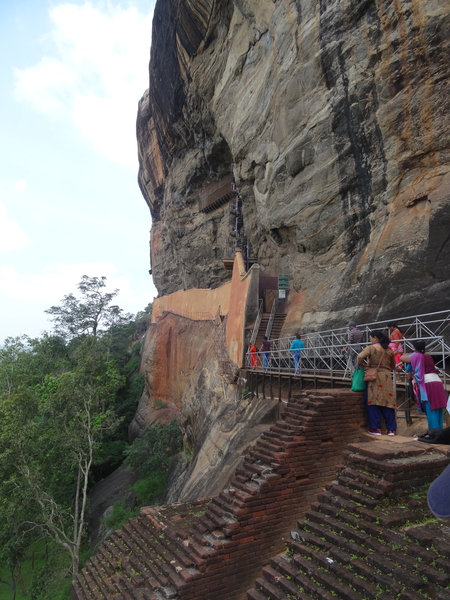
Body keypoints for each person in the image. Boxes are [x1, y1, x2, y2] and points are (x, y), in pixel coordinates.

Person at [357, 330, 397, 436]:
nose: (370, 340)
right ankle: (391, 430)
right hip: (387, 377)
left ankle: (376, 428)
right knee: (387, 402)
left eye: (370, 338)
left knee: (372, 401)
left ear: (375, 338)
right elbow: (393, 365)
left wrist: (360, 364)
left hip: (374, 376)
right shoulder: (389, 350)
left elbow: (360, 356)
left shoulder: (371, 348)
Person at [400, 340, 447, 429]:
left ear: (414, 348)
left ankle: (433, 432)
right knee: (438, 407)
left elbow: (402, 357)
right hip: (437, 381)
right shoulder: (428, 356)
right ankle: (439, 430)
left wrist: (412, 353)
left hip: (427, 383)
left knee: (430, 408)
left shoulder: (416, 356)